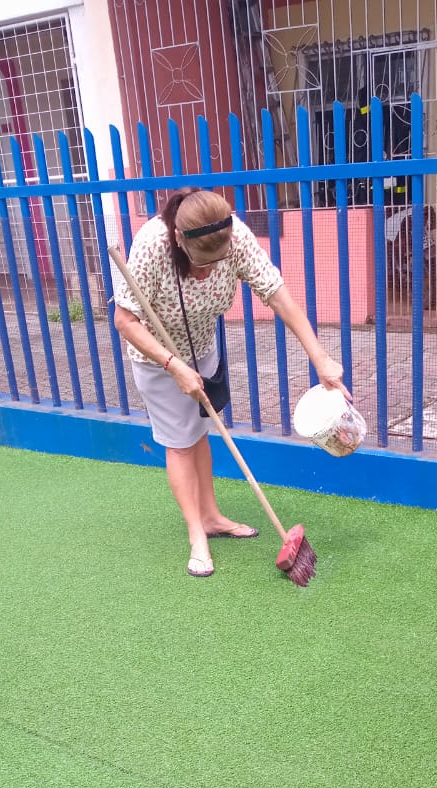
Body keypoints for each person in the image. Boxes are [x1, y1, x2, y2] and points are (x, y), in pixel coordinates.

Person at [114, 187, 349, 578]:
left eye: (215, 263)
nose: (206, 273)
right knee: (180, 443)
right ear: (179, 240)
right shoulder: (152, 246)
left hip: (201, 347)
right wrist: (173, 365)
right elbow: (125, 320)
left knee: (199, 432)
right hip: (158, 357)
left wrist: (321, 360)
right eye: (199, 264)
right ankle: (197, 534)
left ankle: (211, 517)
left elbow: (278, 296)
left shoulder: (234, 235)